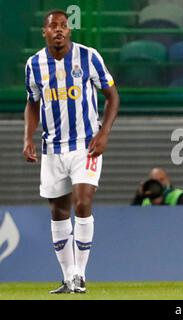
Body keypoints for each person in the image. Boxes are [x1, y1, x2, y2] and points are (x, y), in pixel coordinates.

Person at [22, 10, 119, 294]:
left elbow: (112, 96)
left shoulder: (89, 57)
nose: (59, 30)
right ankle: (67, 278)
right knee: (58, 210)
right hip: (52, 148)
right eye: (54, 26)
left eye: (64, 26)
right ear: (44, 32)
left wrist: (104, 133)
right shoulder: (34, 64)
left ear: (70, 30)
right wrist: (28, 137)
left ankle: (80, 274)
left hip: (85, 145)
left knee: (82, 202)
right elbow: (32, 102)